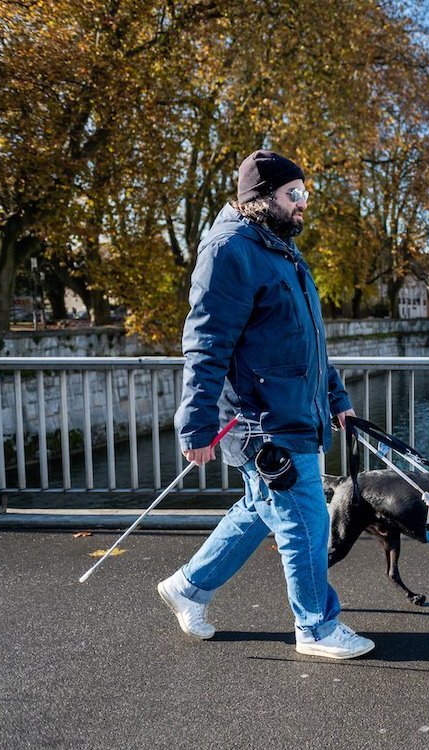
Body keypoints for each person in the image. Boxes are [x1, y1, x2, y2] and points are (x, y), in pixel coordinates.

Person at [157, 149, 374, 660]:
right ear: (261, 199)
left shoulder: (279, 249)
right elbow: (206, 344)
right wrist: (196, 425)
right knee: (306, 520)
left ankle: (187, 587)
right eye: (293, 194)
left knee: (259, 509)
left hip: (293, 410)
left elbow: (308, 343)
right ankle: (316, 627)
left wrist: (336, 396)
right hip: (262, 422)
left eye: (305, 195)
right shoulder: (230, 250)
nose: (303, 205)